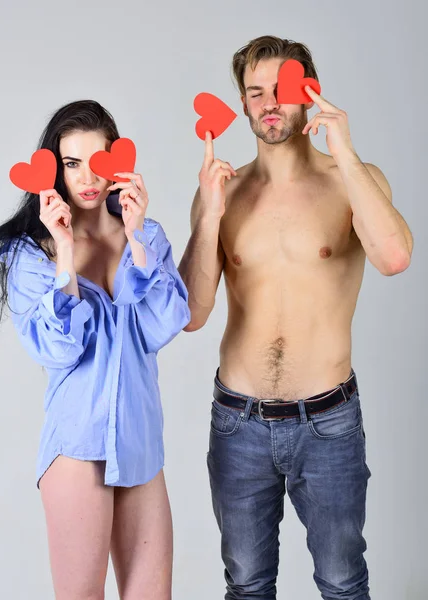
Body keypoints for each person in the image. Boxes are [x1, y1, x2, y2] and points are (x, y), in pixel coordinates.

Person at [178, 35, 413, 600]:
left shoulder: (352, 179)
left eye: (281, 88)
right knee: (247, 585)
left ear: (309, 91)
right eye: (254, 92)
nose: (268, 103)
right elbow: (192, 314)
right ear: (242, 104)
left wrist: (346, 148)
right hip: (238, 423)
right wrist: (208, 214)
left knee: (341, 583)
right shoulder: (223, 193)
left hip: (327, 424)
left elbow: (394, 257)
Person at [0, 100, 190, 600]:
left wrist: (135, 236)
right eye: (72, 163)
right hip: (77, 450)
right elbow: (57, 349)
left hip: (141, 447)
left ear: (117, 161)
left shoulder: (148, 236)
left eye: (99, 161)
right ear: (53, 168)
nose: (88, 177)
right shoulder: (31, 254)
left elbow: (163, 326)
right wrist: (66, 251)